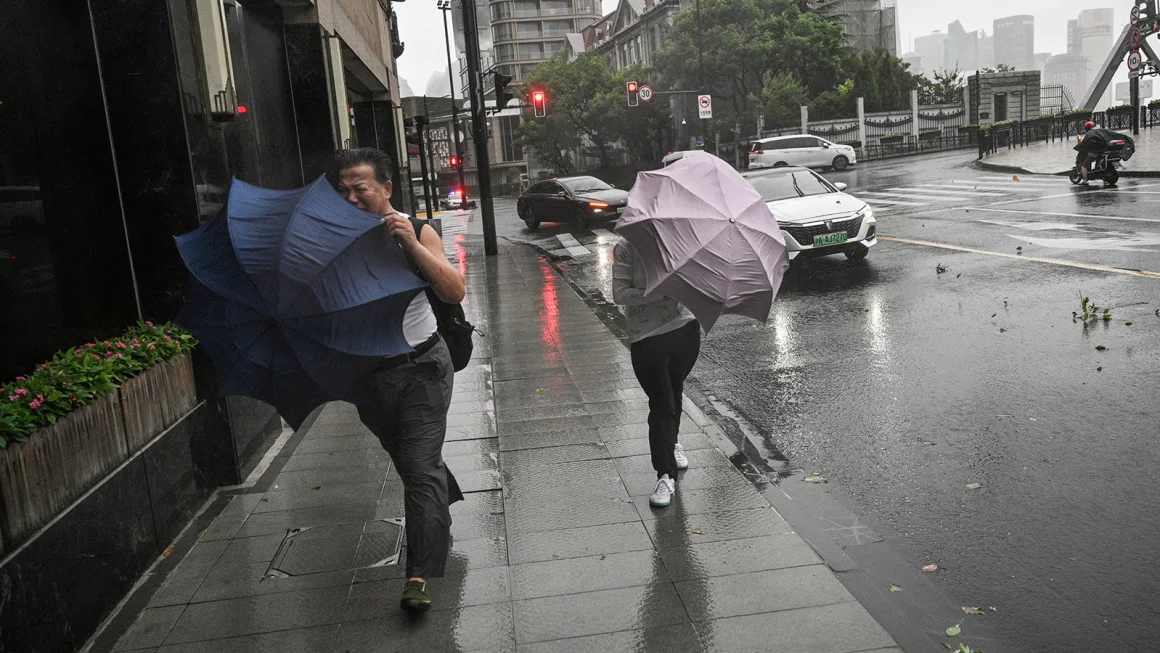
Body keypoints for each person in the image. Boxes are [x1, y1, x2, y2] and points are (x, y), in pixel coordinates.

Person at [335, 147, 467, 613]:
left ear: (386, 189)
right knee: (413, 460)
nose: (351, 198)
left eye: (361, 189)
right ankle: (440, 494)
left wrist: (410, 243)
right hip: (368, 378)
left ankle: (420, 575)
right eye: (343, 190)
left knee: (417, 469)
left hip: (423, 369)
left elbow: (453, 289)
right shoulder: (337, 241)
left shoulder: (416, 228)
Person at [612, 239, 700, 508]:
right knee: (662, 403)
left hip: (684, 329)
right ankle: (665, 475)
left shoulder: (683, 242)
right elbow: (619, 294)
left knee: (673, 390)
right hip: (646, 336)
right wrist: (659, 292)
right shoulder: (627, 248)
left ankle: (670, 443)